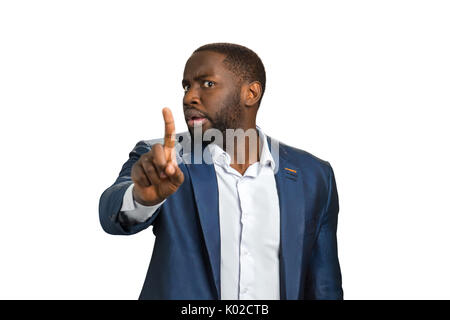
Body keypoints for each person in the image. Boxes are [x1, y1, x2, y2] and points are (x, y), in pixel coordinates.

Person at [99, 43, 343, 300]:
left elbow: (324, 287)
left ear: (251, 93)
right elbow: (110, 213)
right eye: (186, 86)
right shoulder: (161, 159)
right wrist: (141, 197)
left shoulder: (313, 175)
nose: (189, 97)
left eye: (207, 84)